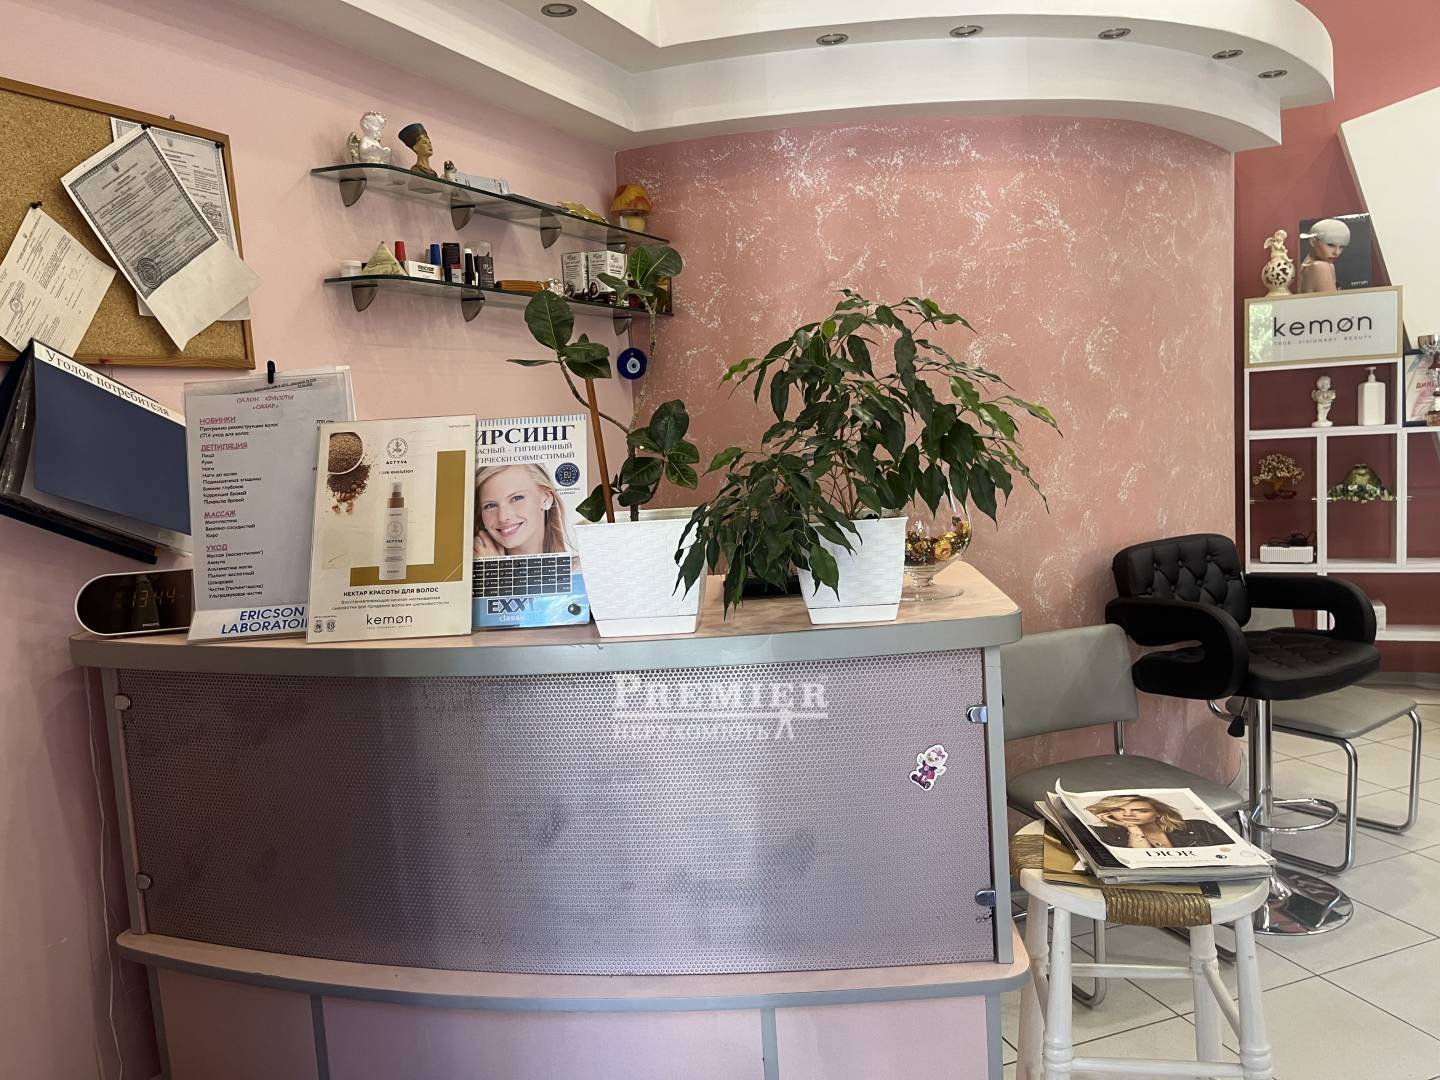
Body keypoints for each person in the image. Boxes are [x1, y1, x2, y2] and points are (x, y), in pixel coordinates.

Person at [474, 463, 573, 557]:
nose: (503, 517)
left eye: (516, 498)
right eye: (490, 505)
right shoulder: (469, 564)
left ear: (546, 499)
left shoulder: (578, 566)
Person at [1085, 794, 1233, 850]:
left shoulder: (1200, 828)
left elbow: (1234, 856)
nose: (1128, 815)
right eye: (1118, 810)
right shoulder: (1100, 834)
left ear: (1159, 812)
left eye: (1141, 811)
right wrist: (1132, 827)